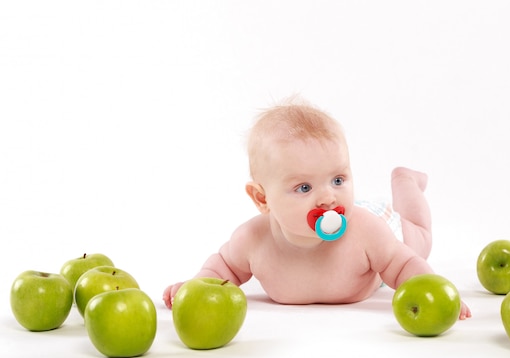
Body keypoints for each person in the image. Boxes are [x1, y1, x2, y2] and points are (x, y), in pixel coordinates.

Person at [163, 99, 471, 319]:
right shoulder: (252, 240)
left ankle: (405, 183)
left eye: (338, 179)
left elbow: (404, 266)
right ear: (262, 199)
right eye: (304, 188)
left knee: (420, 239)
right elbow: (223, 270)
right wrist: (195, 288)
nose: (327, 198)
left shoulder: (367, 232)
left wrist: (438, 295)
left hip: (380, 221)